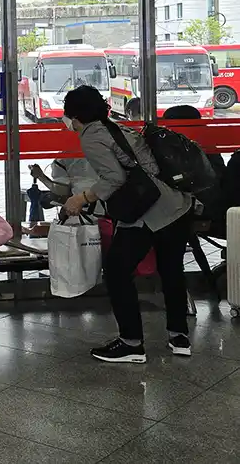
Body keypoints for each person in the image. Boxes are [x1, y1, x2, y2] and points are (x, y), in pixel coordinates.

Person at [60, 85, 192, 362]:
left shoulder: (92, 136)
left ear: (74, 115)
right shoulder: (115, 127)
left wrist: (81, 198)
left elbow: (114, 179)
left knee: (117, 271)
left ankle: (131, 344)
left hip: (149, 211)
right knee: (171, 271)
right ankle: (179, 338)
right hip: (178, 205)